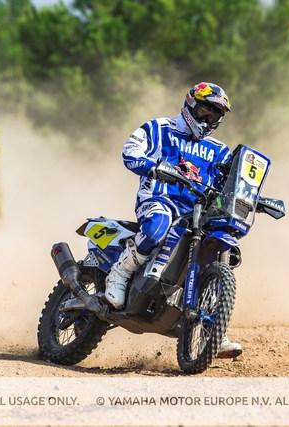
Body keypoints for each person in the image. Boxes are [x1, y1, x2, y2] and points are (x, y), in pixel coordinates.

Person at [105, 82, 242, 358]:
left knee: (219, 253)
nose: (208, 119)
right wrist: (154, 167)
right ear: (190, 105)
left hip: (196, 214)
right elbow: (130, 152)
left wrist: (251, 197)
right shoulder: (158, 128)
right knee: (158, 225)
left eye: (215, 115)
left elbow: (232, 184)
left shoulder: (220, 151)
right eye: (205, 111)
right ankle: (120, 271)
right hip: (159, 200)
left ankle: (213, 330)